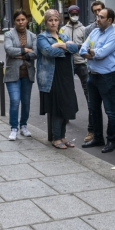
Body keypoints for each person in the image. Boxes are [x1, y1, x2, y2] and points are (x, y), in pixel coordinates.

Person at [80, 8, 115, 153]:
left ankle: (112, 140)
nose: (97, 19)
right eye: (97, 16)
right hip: (92, 75)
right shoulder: (94, 32)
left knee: (110, 110)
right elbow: (83, 49)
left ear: (109, 20)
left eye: (101, 17)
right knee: (94, 108)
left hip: (107, 76)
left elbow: (101, 53)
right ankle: (98, 137)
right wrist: (92, 53)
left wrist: (93, 53)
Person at [37, 9, 79, 149]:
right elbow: (48, 52)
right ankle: (56, 138)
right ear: (46, 22)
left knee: (66, 106)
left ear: (59, 21)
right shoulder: (42, 37)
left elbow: (75, 48)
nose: (53, 23)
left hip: (66, 76)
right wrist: (66, 48)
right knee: (57, 108)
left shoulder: (63, 36)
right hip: (53, 78)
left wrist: (60, 44)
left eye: (55, 20)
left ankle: (63, 136)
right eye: (50, 20)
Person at [61, 5, 94, 141]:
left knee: (88, 92)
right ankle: (67, 115)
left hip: (82, 63)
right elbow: (61, 44)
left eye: (76, 13)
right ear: (68, 14)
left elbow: (88, 45)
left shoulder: (84, 29)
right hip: (68, 63)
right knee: (67, 91)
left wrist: (74, 46)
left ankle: (91, 123)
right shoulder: (63, 29)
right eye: (72, 13)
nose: (74, 14)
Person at [4, 10, 37, 140]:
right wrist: (25, 50)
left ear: (26, 20)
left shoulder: (33, 36)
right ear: (14, 21)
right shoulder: (9, 34)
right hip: (12, 73)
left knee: (26, 102)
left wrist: (22, 54)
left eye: (23, 19)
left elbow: (36, 52)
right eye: (18, 20)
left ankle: (23, 125)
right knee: (15, 100)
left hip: (27, 73)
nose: (21, 22)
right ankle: (13, 128)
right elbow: (9, 50)